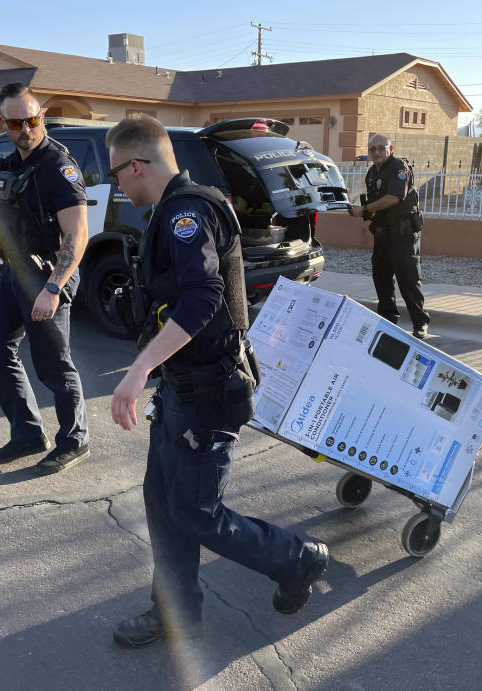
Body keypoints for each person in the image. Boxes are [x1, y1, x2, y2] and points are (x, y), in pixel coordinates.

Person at [106, 114, 329, 648]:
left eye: (117, 172)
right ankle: (175, 613)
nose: (115, 183)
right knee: (163, 504)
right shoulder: (176, 209)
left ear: (136, 165)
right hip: (183, 387)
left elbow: (203, 300)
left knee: (198, 514)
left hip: (207, 393)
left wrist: (138, 370)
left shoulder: (188, 213)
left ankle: (297, 560)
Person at [0, 83, 90, 475]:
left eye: (33, 118)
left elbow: (77, 235)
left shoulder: (58, 167)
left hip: (47, 276)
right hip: (12, 273)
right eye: (16, 122)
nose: (27, 128)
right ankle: (26, 433)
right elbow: (3, 222)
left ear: (41, 115)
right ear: (3, 123)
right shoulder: (9, 164)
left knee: (54, 365)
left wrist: (54, 289)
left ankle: (75, 439)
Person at [348, 134, 431, 339]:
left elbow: (394, 198)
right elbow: (376, 206)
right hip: (383, 234)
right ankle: (387, 321)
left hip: (403, 235)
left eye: (381, 148)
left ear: (390, 148)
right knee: (382, 279)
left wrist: (365, 208)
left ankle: (420, 323)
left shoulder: (398, 168)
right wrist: (361, 211)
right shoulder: (371, 173)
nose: (376, 152)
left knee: (408, 279)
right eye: (372, 149)